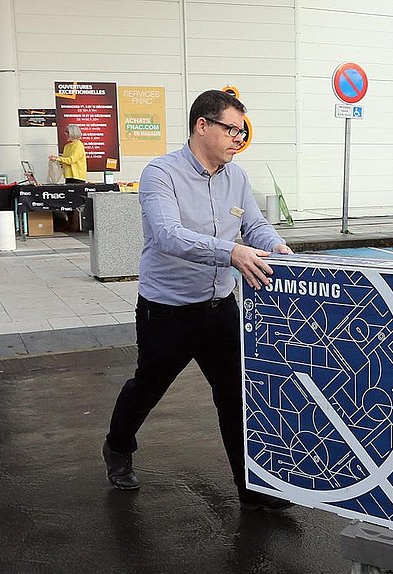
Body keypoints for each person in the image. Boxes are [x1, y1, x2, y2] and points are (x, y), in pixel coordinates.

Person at [102, 90, 294, 511]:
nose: (237, 139)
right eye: (231, 129)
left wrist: (276, 247)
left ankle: (251, 487)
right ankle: (117, 446)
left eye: (242, 133)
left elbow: (255, 225)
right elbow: (168, 235)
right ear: (201, 126)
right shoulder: (160, 174)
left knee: (236, 395)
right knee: (148, 387)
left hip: (218, 309)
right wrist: (230, 253)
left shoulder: (236, 177)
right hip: (166, 311)